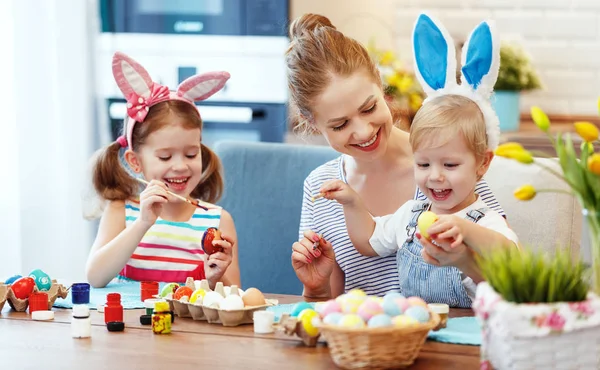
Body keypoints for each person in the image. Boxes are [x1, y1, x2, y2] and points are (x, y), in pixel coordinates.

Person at [287, 13, 507, 301]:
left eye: (368, 108)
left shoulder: (444, 167)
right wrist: (316, 288)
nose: (364, 131)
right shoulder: (322, 188)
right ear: (311, 122)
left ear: (380, 82)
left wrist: (464, 257)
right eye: (340, 125)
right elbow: (330, 311)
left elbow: (508, 273)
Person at [85, 52, 240, 289]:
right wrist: (143, 223)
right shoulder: (122, 210)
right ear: (135, 162)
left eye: (191, 154)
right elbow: (95, 277)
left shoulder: (217, 220)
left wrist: (216, 277)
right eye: (165, 156)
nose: (180, 166)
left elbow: (234, 298)